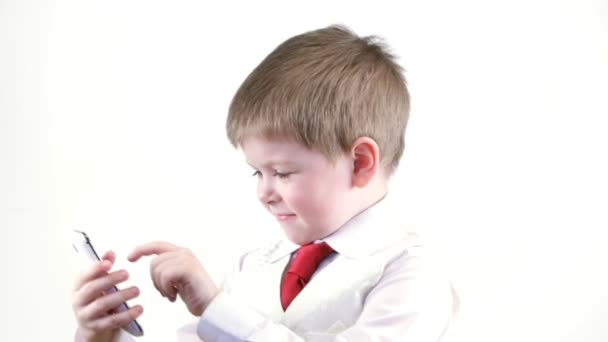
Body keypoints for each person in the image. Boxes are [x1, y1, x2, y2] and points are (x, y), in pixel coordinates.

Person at [71, 25, 457, 341]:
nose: (264, 193)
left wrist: (216, 308)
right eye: (258, 172)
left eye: (283, 173)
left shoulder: (413, 275)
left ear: (359, 163)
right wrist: (102, 335)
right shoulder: (253, 267)